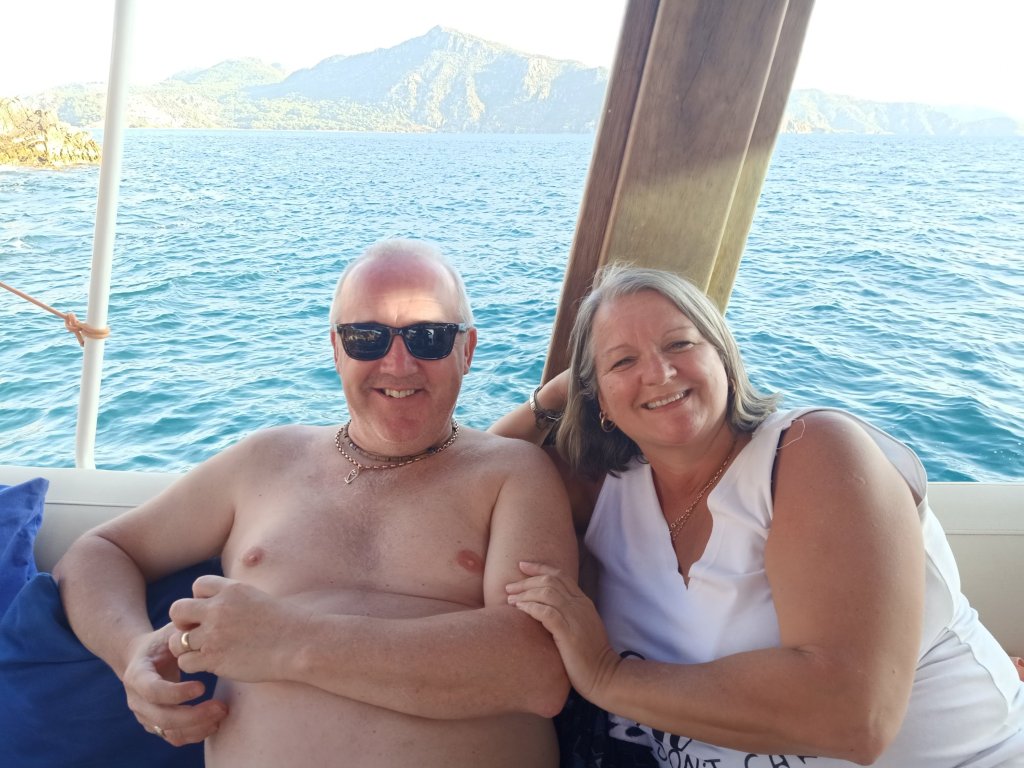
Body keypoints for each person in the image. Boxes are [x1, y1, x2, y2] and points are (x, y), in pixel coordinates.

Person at [53, 239, 578, 768]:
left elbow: (536, 668)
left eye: (429, 337)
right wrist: (133, 654)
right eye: (366, 338)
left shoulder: (511, 473)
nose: (399, 364)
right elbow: (100, 552)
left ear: (467, 349)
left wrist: (291, 641)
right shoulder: (264, 460)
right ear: (336, 350)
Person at [492, 264, 1024, 767]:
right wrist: (548, 400)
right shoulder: (607, 490)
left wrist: (604, 674)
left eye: (680, 344)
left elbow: (853, 716)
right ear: (599, 402)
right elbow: (478, 476)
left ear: (724, 356)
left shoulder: (813, 452)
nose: (658, 372)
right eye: (622, 362)